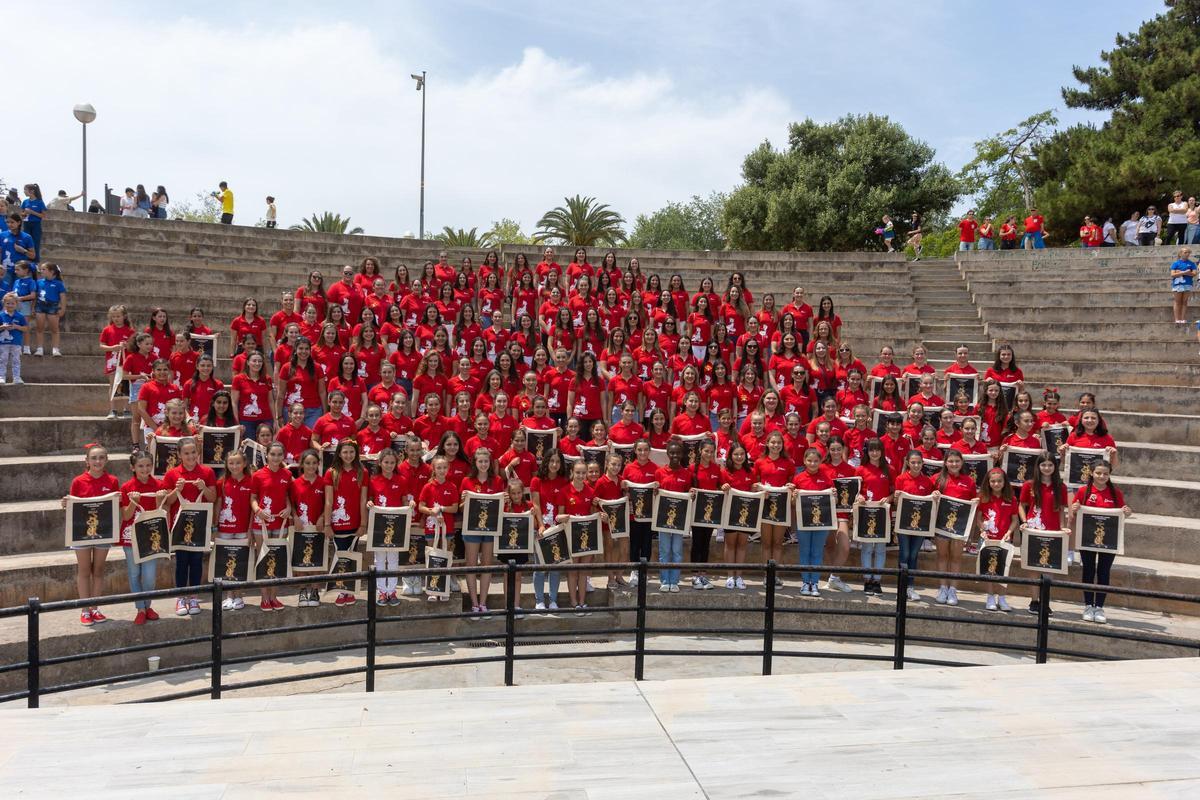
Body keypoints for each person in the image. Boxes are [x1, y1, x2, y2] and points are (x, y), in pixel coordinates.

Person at [63, 444, 121, 626]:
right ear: (86, 461)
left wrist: (119, 500)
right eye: (94, 458)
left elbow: (115, 507)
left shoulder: (112, 480)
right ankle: (84, 609)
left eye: (102, 457)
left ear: (107, 460)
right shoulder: (78, 481)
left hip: (103, 531)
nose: (98, 461)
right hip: (82, 532)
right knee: (84, 570)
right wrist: (66, 503)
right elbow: (73, 508)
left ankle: (95, 608)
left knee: (98, 570)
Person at [1069, 461, 1132, 624]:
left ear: (1109, 475)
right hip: (1087, 539)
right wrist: (1074, 509)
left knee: (1104, 572)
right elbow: (1074, 514)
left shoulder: (1115, 493)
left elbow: (1124, 512)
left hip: (1108, 539)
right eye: (1098, 473)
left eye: (1105, 473)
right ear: (1091, 473)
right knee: (1088, 571)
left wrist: (1128, 511)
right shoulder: (1083, 491)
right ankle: (1088, 605)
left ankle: (1100, 607)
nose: (1101, 476)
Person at [162, 437, 217, 616]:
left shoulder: (207, 472)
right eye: (186, 453)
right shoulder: (172, 474)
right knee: (181, 562)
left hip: (199, 524)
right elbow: (168, 502)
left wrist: (203, 488)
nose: (190, 456)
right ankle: (180, 597)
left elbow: (213, 497)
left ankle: (193, 596)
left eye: (193, 452)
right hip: (180, 524)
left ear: (198, 452)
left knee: (196, 561)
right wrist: (176, 490)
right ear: (179, 454)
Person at [1019, 452, 1067, 617]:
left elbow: (1061, 510)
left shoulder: (1061, 486)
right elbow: (1021, 505)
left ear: (1055, 467)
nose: (1047, 468)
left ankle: (1045, 602)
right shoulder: (1029, 485)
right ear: (1038, 467)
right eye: (1043, 465)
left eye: (1050, 465)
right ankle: (1034, 601)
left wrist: (1062, 527)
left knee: (1048, 569)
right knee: (1033, 567)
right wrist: (1024, 521)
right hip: (1033, 530)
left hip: (1052, 532)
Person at [460, 447, 505, 615]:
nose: (484, 464)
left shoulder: (498, 481)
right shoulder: (467, 481)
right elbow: (461, 507)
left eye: (486, 461)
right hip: (471, 528)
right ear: (475, 463)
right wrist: (464, 501)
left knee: (487, 565)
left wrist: (505, 499)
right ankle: (474, 603)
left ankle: (483, 603)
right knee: (471, 565)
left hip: (491, 529)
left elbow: (501, 507)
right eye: (480, 461)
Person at [893, 449, 933, 601]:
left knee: (914, 555)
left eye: (919, 463)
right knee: (905, 554)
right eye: (913, 462)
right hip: (903, 524)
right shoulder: (901, 479)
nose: (916, 465)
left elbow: (930, 504)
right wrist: (896, 498)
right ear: (908, 463)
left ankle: (910, 587)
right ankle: (901, 587)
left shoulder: (927, 481)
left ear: (923, 463)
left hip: (920, 526)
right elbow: (897, 504)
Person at [977, 468, 1019, 612]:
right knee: (989, 570)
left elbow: (1014, 519)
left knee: (1003, 570)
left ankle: (1002, 597)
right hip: (988, 539)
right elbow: (979, 518)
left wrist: (1009, 532)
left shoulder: (1011, 498)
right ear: (988, 483)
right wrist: (982, 530)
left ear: (1004, 482)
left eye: (999, 481)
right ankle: (990, 597)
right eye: (993, 481)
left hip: (1004, 540)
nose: (996, 484)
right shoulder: (983, 497)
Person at [33, 262, 67, 357]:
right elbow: (36, 296)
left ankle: (55, 349)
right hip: (40, 306)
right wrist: (33, 307)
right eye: (41, 269)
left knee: (54, 329)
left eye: (44, 269)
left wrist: (63, 309)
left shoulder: (59, 283)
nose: (41, 271)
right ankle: (39, 349)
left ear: (52, 272)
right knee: (39, 328)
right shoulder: (39, 282)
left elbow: (63, 297)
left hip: (53, 306)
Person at [0, 291, 28, 383]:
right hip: (3, 343)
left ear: (16, 304)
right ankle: (1, 377)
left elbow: (25, 328)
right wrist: (2, 327)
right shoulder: (1, 315)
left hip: (16, 342)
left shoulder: (20, 316)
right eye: (8, 303)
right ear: (4, 303)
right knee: (3, 360)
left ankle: (16, 377)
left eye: (12, 303)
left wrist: (17, 327)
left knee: (16, 360)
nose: (10, 305)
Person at [1170, 246, 1196, 326]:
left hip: (1187, 284)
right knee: (1178, 302)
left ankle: (1183, 318)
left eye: (1188, 252)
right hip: (1178, 285)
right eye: (1185, 252)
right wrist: (1184, 272)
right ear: (1181, 254)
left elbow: (1194, 273)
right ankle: (1177, 319)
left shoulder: (1192, 263)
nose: (1187, 254)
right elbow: (1172, 274)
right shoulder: (1176, 263)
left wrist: (1181, 272)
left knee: (1184, 302)